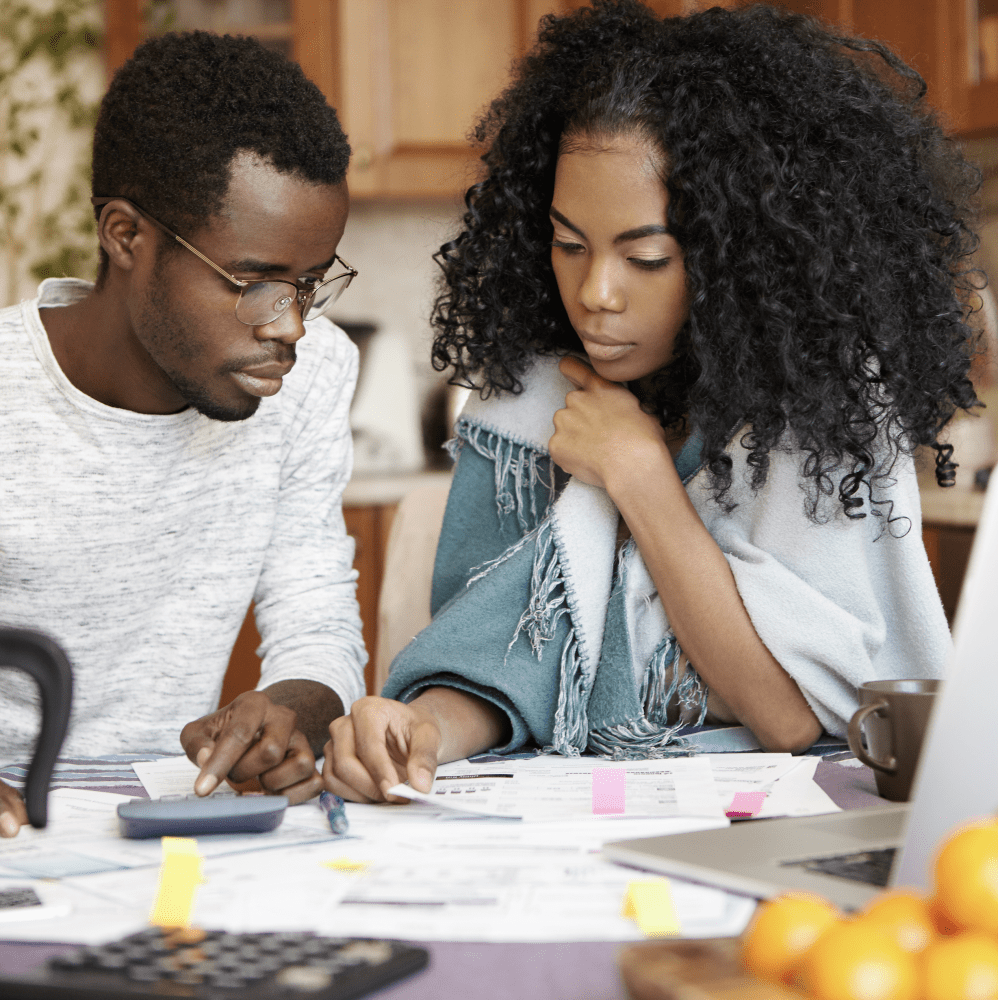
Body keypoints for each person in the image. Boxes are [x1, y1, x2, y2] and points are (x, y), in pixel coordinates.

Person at [322, 0, 981, 804]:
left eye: (645, 256)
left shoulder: (820, 402)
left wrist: (638, 475)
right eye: (569, 245)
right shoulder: (530, 401)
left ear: (736, 254)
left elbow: (781, 716)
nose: (596, 293)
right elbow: (502, 660)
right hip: (582, 813)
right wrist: (423, 726)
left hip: (787, 819)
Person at [0, 31, 366, 836]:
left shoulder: (314, 375)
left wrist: (288, 715)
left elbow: (315, 614)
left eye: (310, 285)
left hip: (172, 824)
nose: (293, 329)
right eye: (257, 284)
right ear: (127, 236)